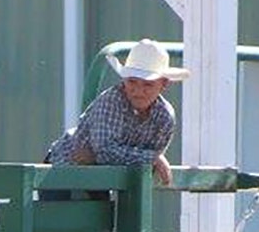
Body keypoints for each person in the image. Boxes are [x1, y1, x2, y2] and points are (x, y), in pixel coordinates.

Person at [43, 38, 186, 188]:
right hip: (61, 172)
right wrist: (152, 159)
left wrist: (98, 158)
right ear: (124, 79)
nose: (138, 91)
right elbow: (106, 151)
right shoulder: (111, 101)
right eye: (132, 81)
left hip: (105, 181)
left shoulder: (165, 116)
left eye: (148, 84)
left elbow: (141, 165)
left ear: (163, 84)